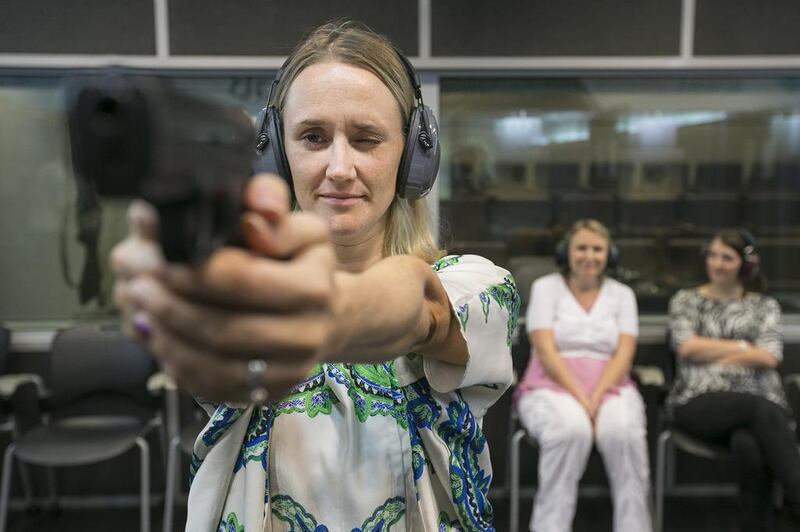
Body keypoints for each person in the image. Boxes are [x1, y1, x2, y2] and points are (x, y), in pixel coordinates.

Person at [111, 20, 519, 531]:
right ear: (277, 153)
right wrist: (178, 287)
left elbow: (422, 306)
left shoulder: (477, 288)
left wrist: (327, 313)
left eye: (367, 139)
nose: (340, 167)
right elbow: (210, 360)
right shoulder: (248, 290)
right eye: (312, 137)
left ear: (413, 154)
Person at [513, 219, 652, 532]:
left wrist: (597, 396)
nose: (589, 256)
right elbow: (545, 351)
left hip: (611, 387)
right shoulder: (545, 288)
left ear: (609, 254)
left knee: (623, 432)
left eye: (597, 249)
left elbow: (624, 353)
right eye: (582, 248)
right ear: (567, 252)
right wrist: (581, 397)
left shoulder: (622, 295)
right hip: (550, 385)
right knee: (570, 431)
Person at [667, 228, 800, 532]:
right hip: (699, 398)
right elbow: (687, 346)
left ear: (745, 265)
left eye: (726, 257)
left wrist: (711, 351)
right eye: (712, 255)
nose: (717, 263)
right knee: (759, 410)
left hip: (762, 404)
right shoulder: (686, 301)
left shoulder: (765, 306)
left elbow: (769, 356)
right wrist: (743, 348)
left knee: (748, 444)